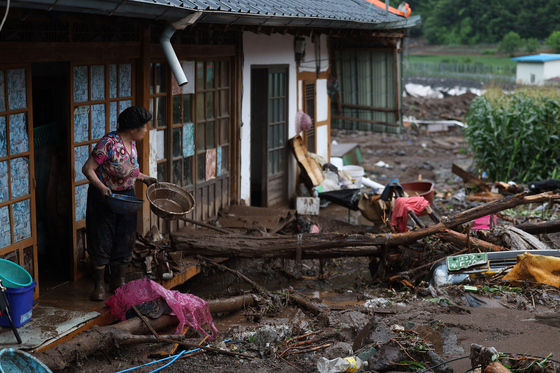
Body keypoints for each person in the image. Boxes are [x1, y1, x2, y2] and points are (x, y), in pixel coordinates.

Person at [82, 106, 158, 301]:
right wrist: (101, 188)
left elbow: (127, 170)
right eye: (144, 127)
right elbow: (88, 168)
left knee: (125, 237)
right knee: (101, 238)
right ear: (133, 128)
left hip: (126, 196)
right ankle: (99, 285)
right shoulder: (107, 144)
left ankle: (118, 281)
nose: (146, 130)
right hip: (104, 197)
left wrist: (144, 178)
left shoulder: (132, 143)